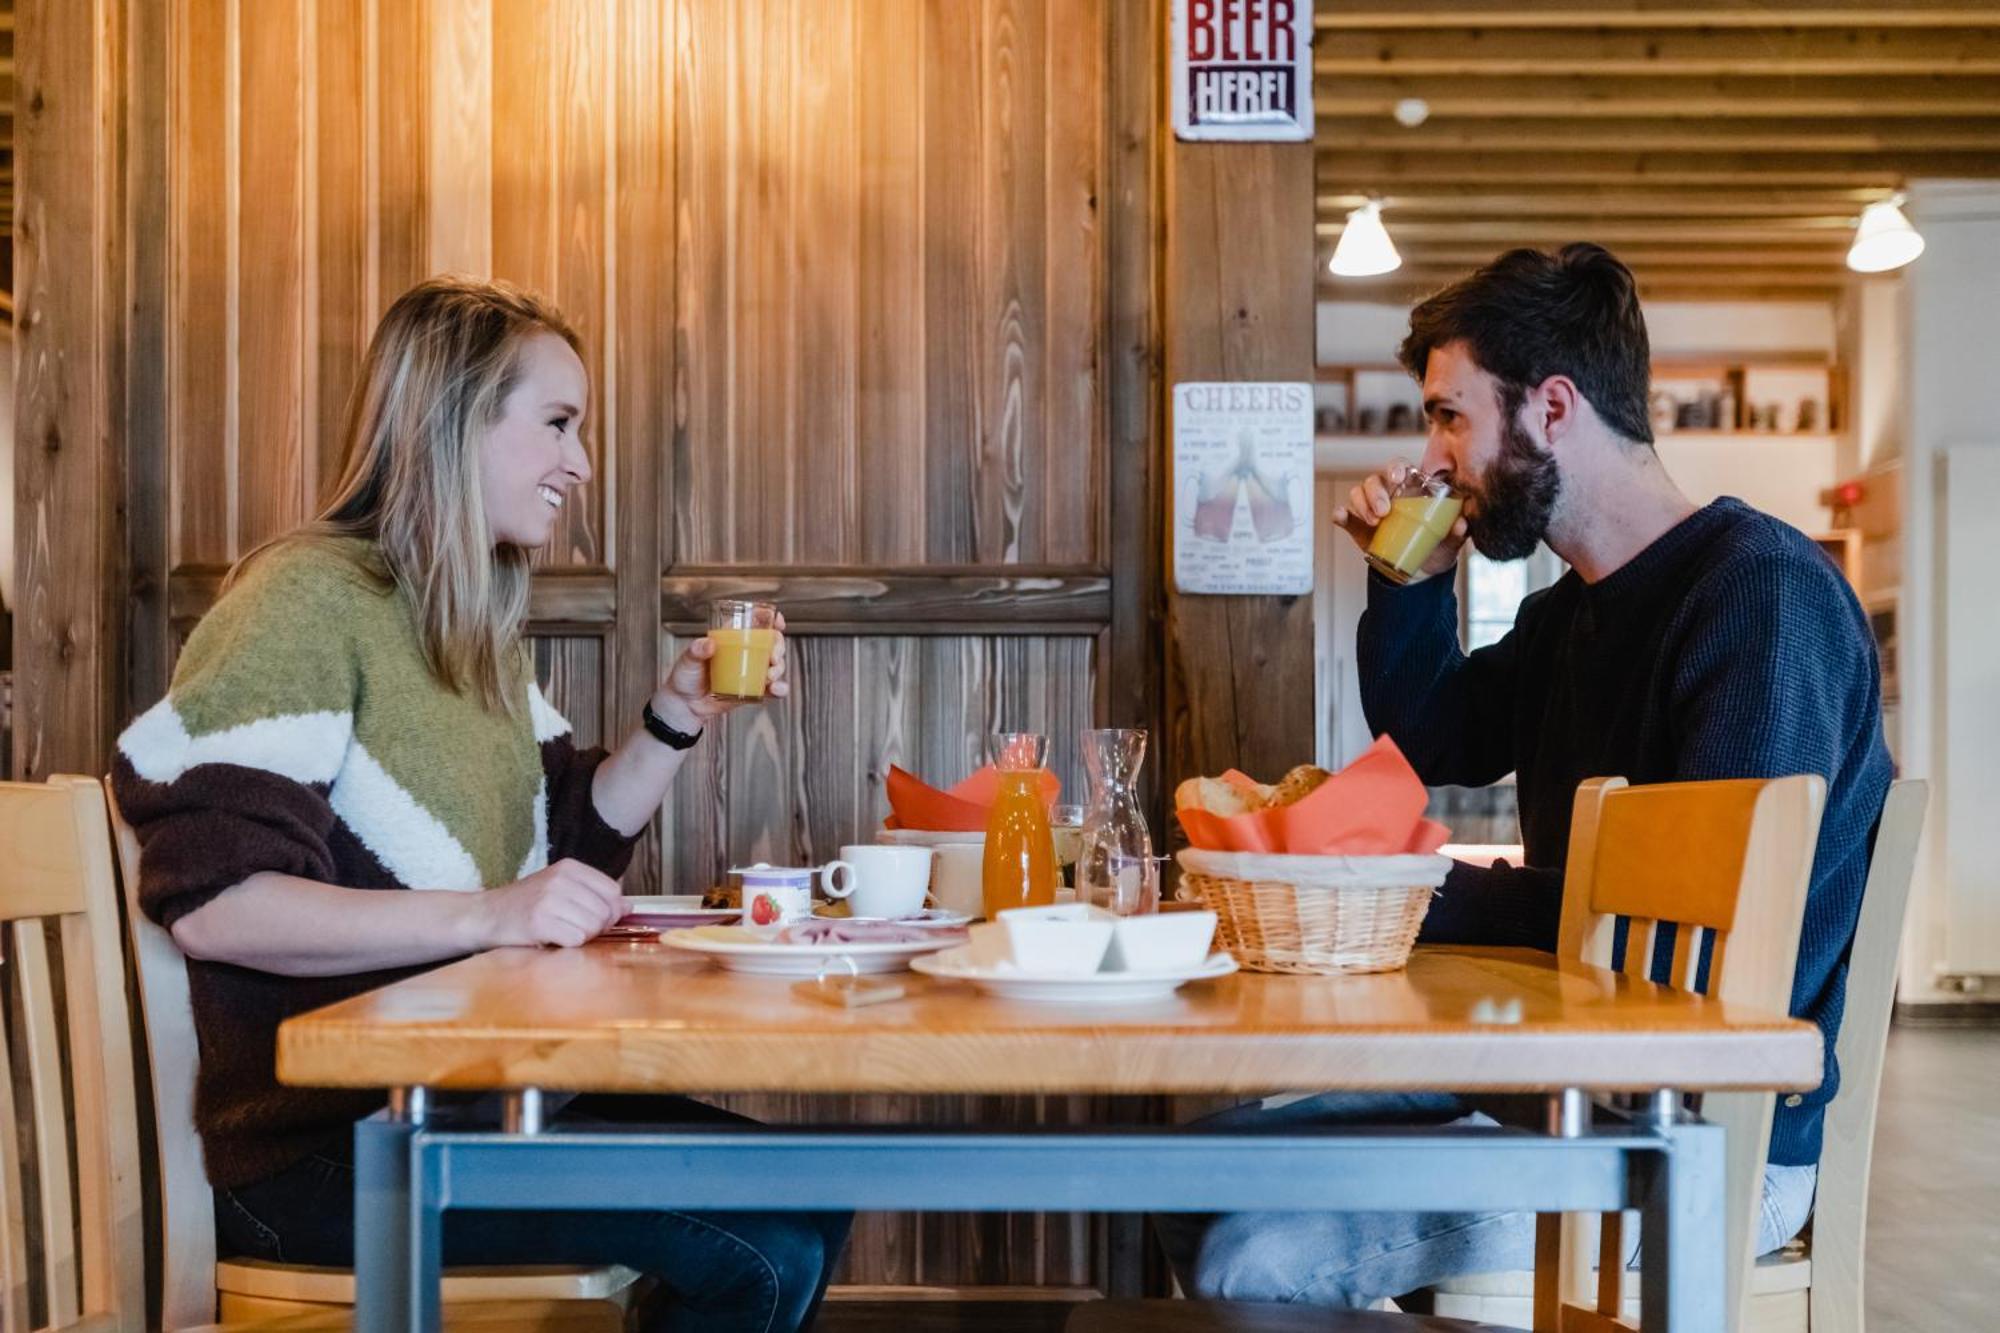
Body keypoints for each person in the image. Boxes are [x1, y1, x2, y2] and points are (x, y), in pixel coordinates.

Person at [1158, 244, 1892, 1307]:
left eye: (1451, 415)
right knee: (1190, 1176)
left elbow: (1705, 939)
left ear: (1550, 408)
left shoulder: (1757, 598)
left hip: (1699, 1134)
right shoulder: (1568, 614)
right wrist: (1403, 579)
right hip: (1564, 1083)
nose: (1434, 454)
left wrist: (1409, 891)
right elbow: (1437, 742)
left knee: (1255, 1257)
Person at [113, 276, 849, 1332]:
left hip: (463, 1099)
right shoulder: (304, 599)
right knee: (760, 1250)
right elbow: (218, 899)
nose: (580, 464)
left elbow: (572, 843)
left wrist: (675, 717)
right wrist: (488, 913)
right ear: (453, 418)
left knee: (811, 1188)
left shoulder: (464, 629)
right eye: (558, 423)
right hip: (318, 1152)